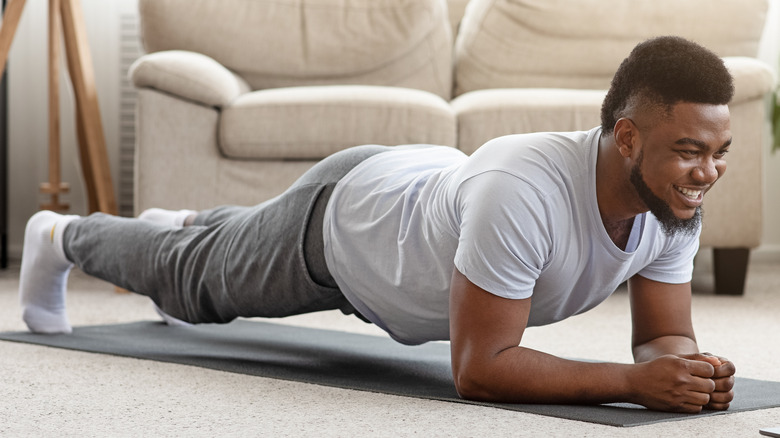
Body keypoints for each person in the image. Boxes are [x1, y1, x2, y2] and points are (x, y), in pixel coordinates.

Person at [19, 36, 736, 413]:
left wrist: (684, 369)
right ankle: (59, 236)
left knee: (214, 245)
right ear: (628, 138)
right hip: (343, 229)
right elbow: (480, 370)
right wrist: (632, 383)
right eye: (689, 150)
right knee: (189, 288)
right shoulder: (524, 190)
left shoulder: (670, 203)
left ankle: (190, 223)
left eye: (719, 154)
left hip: (412, 199)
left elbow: (660, 336)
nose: (706, 172)